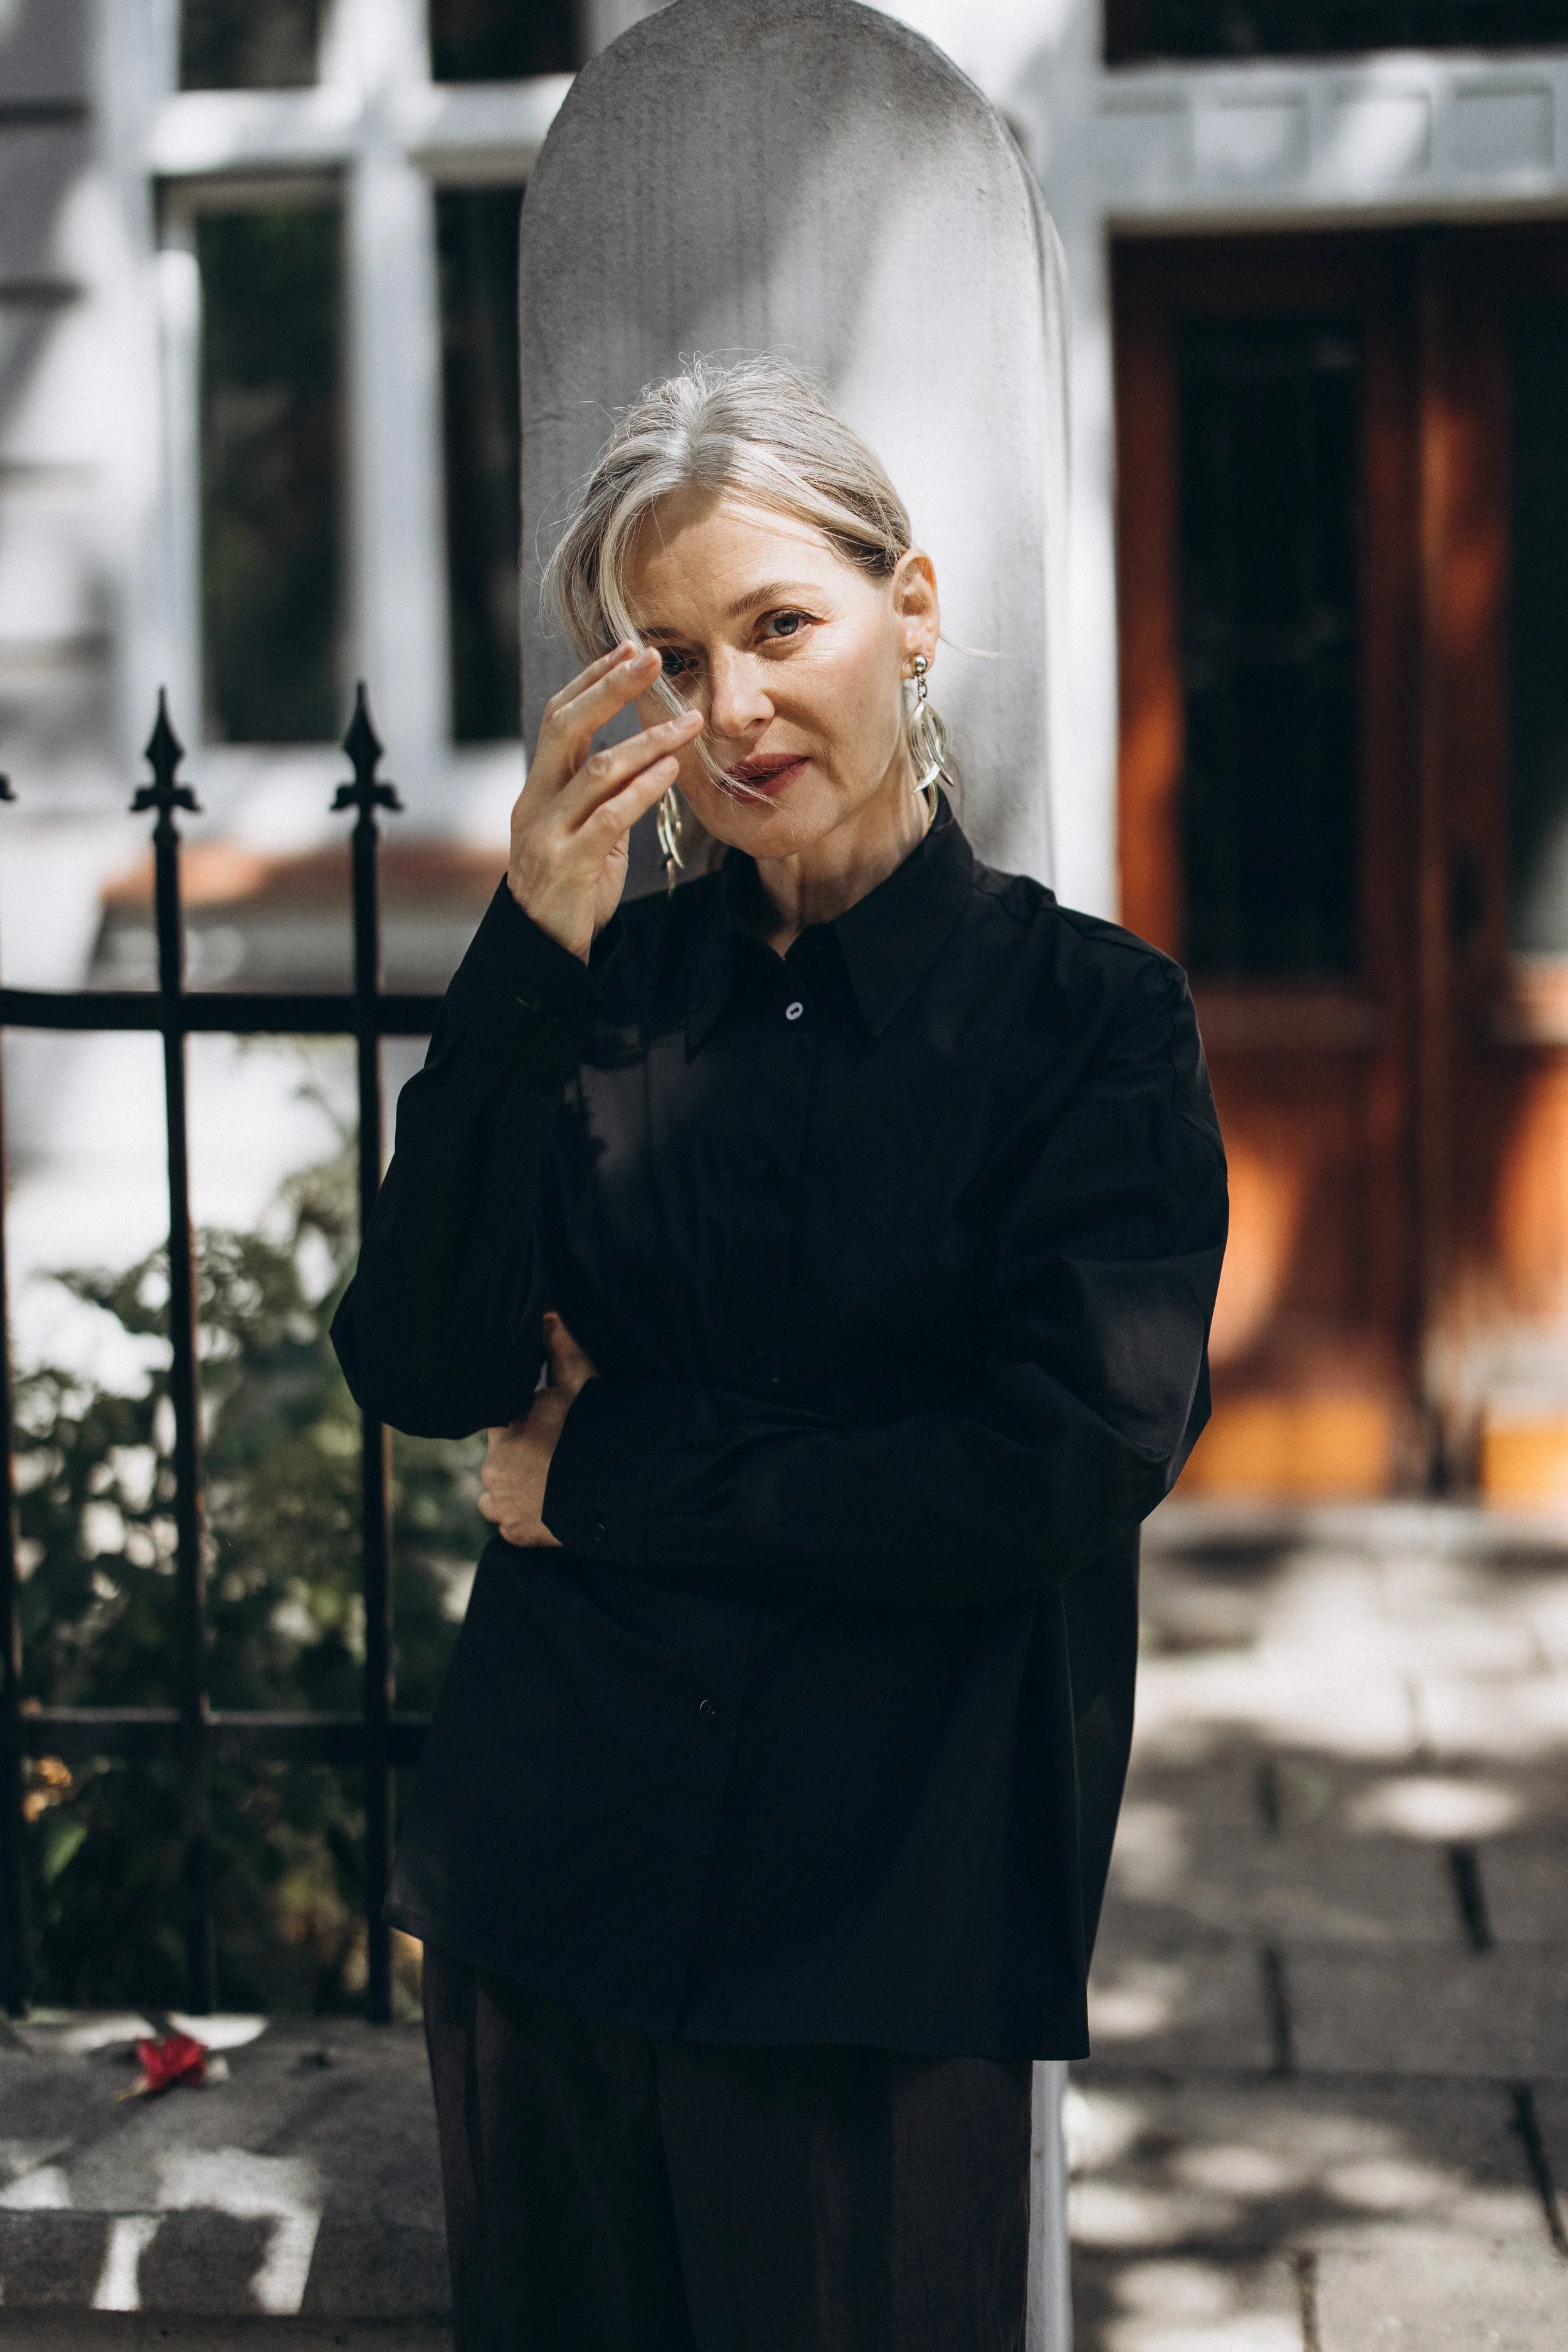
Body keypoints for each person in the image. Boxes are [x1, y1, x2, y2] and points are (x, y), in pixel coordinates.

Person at [331, 356, 1227, 2352]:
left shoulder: (1091, 1028)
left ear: (905, 611)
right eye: (668, 654)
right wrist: (526, 945)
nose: (730, 711)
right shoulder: (603, 993)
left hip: (876, 1929)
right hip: (551, 1896)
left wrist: (608, 1470)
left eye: (778, 627)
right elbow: (423, 1347)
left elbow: (1043, 1463)